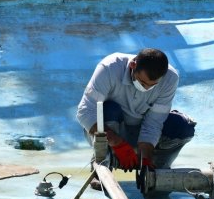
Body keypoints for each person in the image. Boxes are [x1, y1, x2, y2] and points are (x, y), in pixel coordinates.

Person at [76, 49, 196, 187]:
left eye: (153, 85)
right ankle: (104, 163)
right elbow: (85, 112)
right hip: (113, 130)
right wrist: (117, 143)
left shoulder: (170, 78)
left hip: (140, 133)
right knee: (108, 108)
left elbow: (154, 122)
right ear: (133, 65)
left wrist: (145, 157)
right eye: (142, 82)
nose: (146, 88)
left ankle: (155, 170)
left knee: (182, 126)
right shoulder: (110, 67)